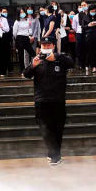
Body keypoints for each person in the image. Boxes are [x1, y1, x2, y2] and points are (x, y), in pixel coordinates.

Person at [23, 38, 73, 166]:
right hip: (41, 100)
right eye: (44, 44)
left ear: (53, 45)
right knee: (45, 128)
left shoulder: (60, 58)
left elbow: (71, 63)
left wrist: (56, 57)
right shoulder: (37, 60)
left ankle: (54, 155)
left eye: (48, 44)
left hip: (58, 100)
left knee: (58, 129)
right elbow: (26, 74)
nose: (46, 46)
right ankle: (55, 155)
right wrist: (33, 65)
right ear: (40, 46)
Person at [12, 7, 36, 73]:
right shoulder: (17, 21)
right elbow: (14, 32)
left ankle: (34, 66)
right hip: (19, 38)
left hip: (26, 38)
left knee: (32, 53)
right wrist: (16, 40)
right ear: (18, 14)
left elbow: (29, 29)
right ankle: (22, 70)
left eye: (23, 12)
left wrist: (30, 36)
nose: (22, 13)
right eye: (21, 12)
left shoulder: (27, 20)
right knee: (21, 55)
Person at [82, 4, 96, 75]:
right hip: (89, 35)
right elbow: (83, 27)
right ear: (89, 10)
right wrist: (88, 25)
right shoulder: (85, 17)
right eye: (92, 11)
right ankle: (93, 66)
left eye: (94, 11)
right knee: (91, 51)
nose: (93, 12)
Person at [73, 2, 87, 71]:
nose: (83, 6)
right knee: (79, 49)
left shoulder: (88, 14)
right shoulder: (76, 16)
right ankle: (80, 64)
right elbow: (74, 27)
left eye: (84, 5)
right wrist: (78, 31)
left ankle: (86, 64)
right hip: (79, 33)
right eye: (82, 5)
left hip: (87, 33)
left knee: (86, 49)